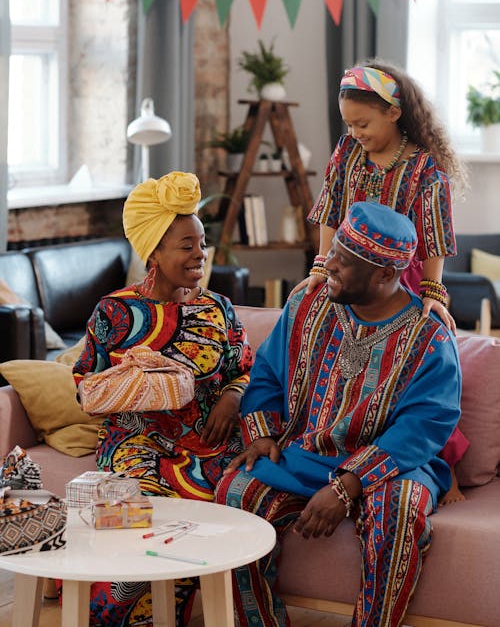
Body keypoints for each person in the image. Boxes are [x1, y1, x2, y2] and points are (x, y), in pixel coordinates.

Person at [215, 202, 462, 627]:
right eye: (333, 252)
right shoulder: (308, 305)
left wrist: (349, 484)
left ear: (385, 275)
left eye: (343, 261)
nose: (327, 263)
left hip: (392, 466)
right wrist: (262, 433)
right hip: (304, 456)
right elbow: (269, 373)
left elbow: (423, 427)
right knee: (235, 494)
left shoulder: (429, 338)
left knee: (398, 511)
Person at [73, 171, 252, 627]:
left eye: (202, 242)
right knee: (137, 519)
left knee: (240, 497)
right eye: (186, 245)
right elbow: (85, 385)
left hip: (209, 443)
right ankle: (117, 613)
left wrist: (232, 397)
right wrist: (134, 381)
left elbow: (245, 367)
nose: (200, 254)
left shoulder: (218, 308)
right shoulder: (114, 311)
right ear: (154, 250)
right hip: (136, 444)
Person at [296, 59, 469, 504]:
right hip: (347, 274)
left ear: (394, 112)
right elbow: (331, 212)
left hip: (398, 279)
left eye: (363, 123)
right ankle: (335, 445)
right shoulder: (347, 153)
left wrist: (432, 293)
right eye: (349, 124)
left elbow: (435, 236)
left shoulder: (425, 168)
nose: (355, 132)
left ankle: (440, 468)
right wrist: (320, 266)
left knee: (413, 370)